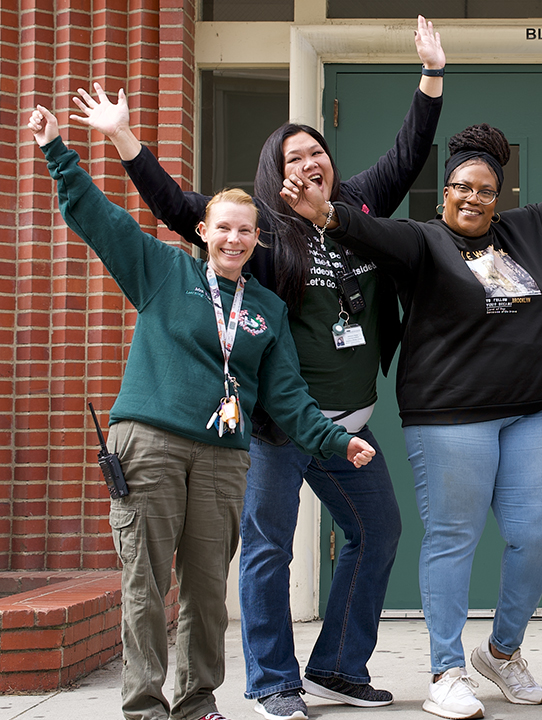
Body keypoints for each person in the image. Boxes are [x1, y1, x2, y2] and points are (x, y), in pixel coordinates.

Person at [73, 17, 444, 720]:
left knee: (379, 532)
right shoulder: (262, 233)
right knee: (269, 550)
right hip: (280, 427)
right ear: (277, 171)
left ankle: (337, 663)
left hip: (350, 426)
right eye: (295, 156)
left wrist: (431, 76)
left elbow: (409, 152)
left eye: (319, 153)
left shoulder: (357, 207)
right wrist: (126, 142)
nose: (310, 164)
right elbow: (182, 208)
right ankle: (273, 681)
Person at [282, 114, 542, 720]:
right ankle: (445, 672)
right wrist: (326, 214)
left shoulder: (526, 230)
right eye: (462, 188)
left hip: (526, 413)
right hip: (448, 417)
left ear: (499, 197)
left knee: (537, 534)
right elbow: (367, 234)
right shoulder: (421, 241)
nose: (473, 198)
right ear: (445, 190)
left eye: (485, 190)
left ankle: (501, 651)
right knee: (454, 539)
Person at [27, 105, 375, 720]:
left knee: (207, 589)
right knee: (145, 583)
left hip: (223, 456)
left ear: (257, 239)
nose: (234, 239)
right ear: (203, 231)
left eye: (246, 231)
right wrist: (59, 148)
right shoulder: (163, 271)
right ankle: (144, 706)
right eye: (223, 228)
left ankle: (196, 700)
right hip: (151, 445)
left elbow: (288, 393)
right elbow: (97, 217)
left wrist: (334, 441)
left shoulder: (265, 306)